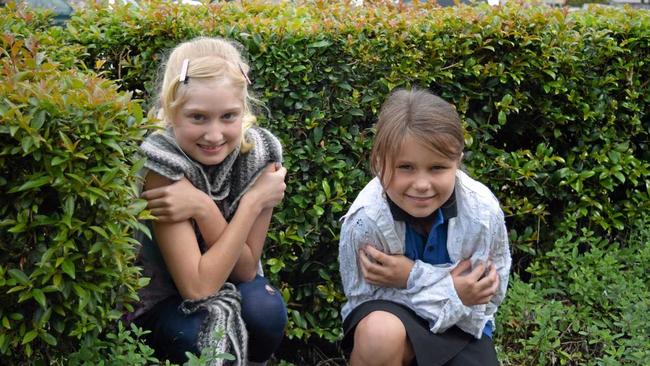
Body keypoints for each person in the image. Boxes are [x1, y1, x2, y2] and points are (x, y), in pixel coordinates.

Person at [129, 36, 288, 366]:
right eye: (198, 117)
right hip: (162, 298)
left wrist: (207, 206)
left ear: (243, 109)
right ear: (171, 111)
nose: (214, 135)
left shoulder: (260, 155)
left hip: (226, 276)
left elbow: (245, 270)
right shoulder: (162, 163)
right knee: (195, 335)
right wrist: (246, 204)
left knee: (266, 311)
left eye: (229, 116)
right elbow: (197, 288)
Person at [338, 88, 511, 366]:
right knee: (379, 334)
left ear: (458, 162)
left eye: (437, 168)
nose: (421, 184)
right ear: (380, 163)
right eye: (405, 167)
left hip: (462, 326)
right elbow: (361, 298)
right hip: (392, 327)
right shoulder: (365, 219)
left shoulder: (482, 212)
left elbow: (484, 299)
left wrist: (409, 277)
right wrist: (452, 288)